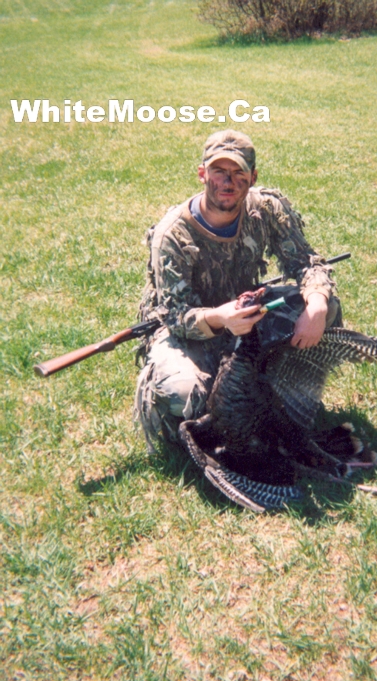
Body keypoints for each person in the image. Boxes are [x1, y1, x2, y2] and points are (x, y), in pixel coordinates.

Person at [135, 130, 342, 451]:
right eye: (219, 171)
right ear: (202, 174)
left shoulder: (267, 208)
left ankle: (287, 390)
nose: (228, 182)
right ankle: (207, 424)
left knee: (326, 307)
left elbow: (307, 263)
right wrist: (221, 317)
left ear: (253, 177)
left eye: (238, 173)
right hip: (193, 330)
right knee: (182, 393)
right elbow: (175, 316)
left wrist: (316, 304)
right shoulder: (172, 234)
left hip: (249, 315)